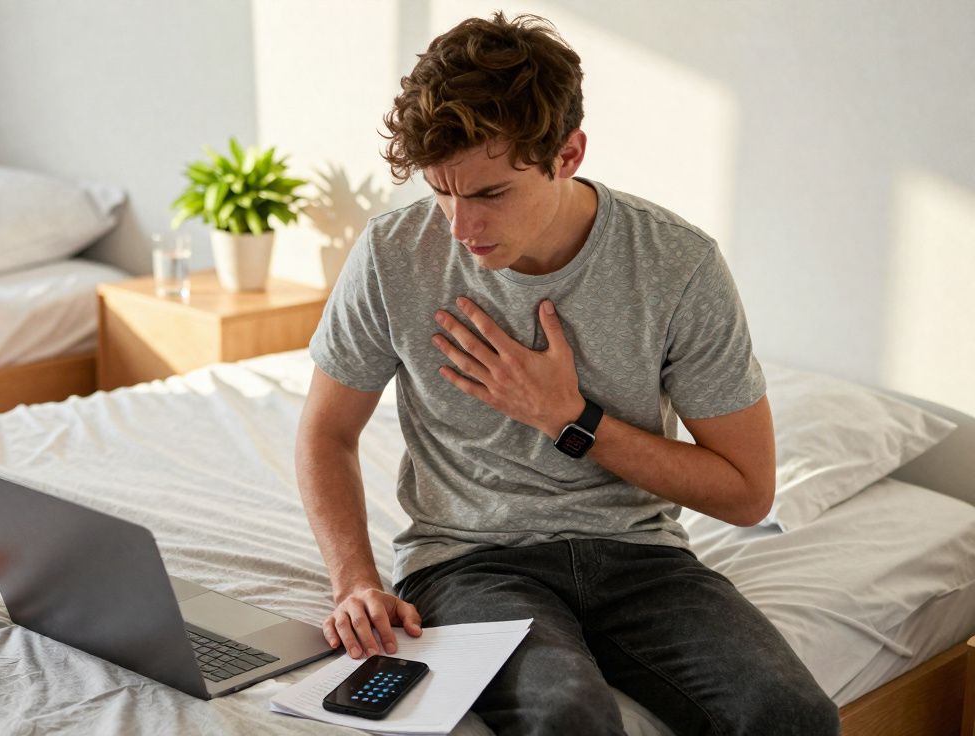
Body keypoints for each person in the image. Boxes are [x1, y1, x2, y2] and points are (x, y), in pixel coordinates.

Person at [295, 11, 840, 735]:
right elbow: (326, 432)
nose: (459, 227)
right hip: (470, 562)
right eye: (440, 191)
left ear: (568, 154)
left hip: (642, 561)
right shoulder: (394, 253)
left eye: (489, 194)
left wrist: (571, 420)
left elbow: (746, 493)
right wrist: (355, 581)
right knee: (567, 719)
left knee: (791, 716)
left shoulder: (677, 266)